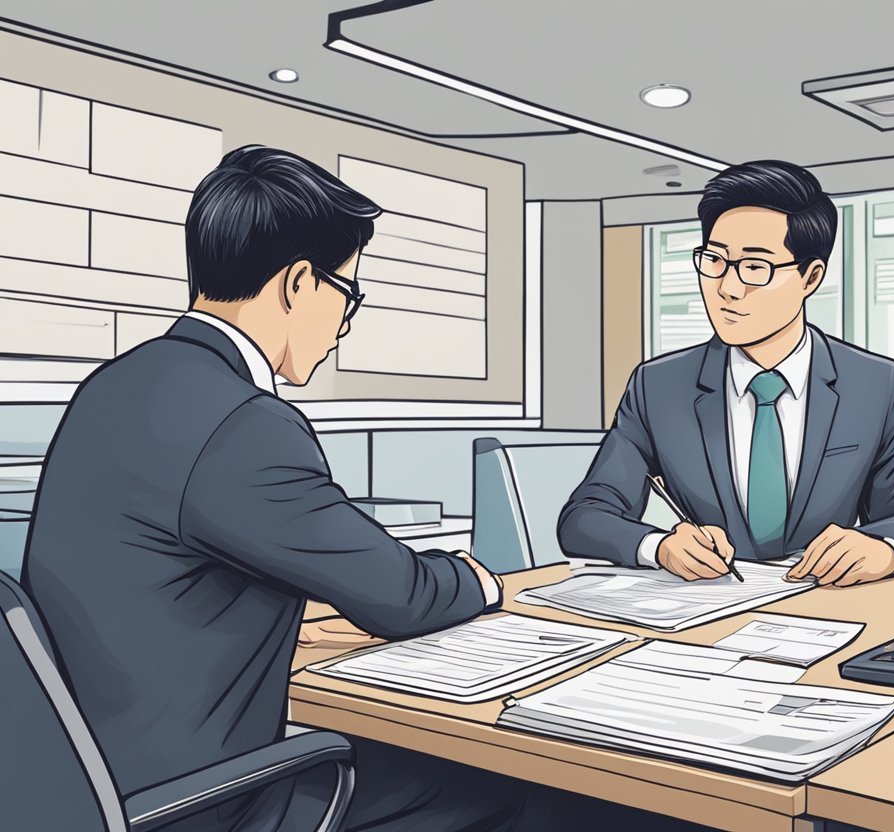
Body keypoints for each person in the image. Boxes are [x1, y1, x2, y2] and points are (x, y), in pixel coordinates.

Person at [22, 145, 524, 831]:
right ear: (298, 283)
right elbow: (401, 596)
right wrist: (478, 582)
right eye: (347, 294)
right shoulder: (242, 423)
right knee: (501, 788)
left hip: (92, 784)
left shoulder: (117, 385)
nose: (343, 324)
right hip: (200, 802)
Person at [559, 160, 894, 585]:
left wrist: (885, 548)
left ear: (810, 277)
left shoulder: (875, 383)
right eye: (714, 260)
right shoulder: (659, 386)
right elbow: (585, 516)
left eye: (755, 267)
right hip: (707, 606)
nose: (727, 288)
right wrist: (659, 546)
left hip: (830, 601)